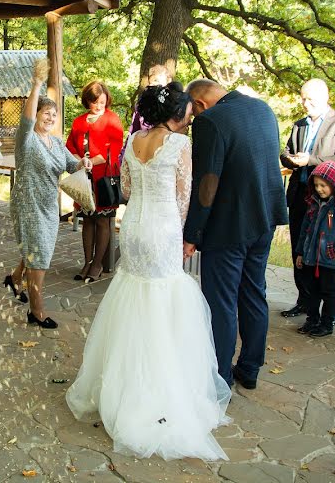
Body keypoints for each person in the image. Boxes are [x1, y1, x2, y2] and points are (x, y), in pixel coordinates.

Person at [67, 83, 231, 461]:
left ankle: (122, 386)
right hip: (163, 227)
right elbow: (183, 196)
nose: (190, 118)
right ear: (176, 114)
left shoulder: (134, 137)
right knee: (162, 300)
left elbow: (124, 187)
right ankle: (159, 392)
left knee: (134, 294)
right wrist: (186, 236)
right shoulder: (180, 145)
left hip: (135, 226)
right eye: (188, 113)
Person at [183, 79, 288, 389]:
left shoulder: (211, 121)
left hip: (229, 225)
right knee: (254, 292)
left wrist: (192, 233)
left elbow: (207, 183)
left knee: (222, 301)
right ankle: (250, 368)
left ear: (199, 104)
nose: (192, 120)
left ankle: (221, 376)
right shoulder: (263, 108)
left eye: (192, 113)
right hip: (265, 219)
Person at [5, 59, 92, 329]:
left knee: (37, 249)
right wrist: (36, 85)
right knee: (40, 254)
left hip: (48, 205)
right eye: (45, 113)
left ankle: (14, 277)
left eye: (53, 114)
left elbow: (70, 164)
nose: (50, 117)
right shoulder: (27, 138)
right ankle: (36, 310)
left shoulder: (55, 142)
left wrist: (84, 162)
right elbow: (27, 116)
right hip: (28, 202)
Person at [280, 78, 335, 324]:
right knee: (299, 249)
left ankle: (334, 309)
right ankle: (305, 301)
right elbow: (286, 150)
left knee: (328, 252)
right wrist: (289, 158)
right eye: (302, 98)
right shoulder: (299, 125)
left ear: (325, 97)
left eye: (310, 99)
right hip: (301, 194)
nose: (305, 103)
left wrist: (311, 160)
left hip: (329, 198)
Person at [65, 81, 125, 282]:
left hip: (104, 177)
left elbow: (114, 150)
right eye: (94, 102)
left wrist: (91, 161)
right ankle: (87, 261)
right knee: (87, 220)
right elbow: (70, 144)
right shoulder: (79, 121)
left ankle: (98, 263)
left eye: (102, 101)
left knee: (101, 220)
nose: (99, 106)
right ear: (87, 102)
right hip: (84, 177)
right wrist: (79, 160)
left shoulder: (112, 119)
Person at [294, 161, 335, 338]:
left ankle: (326, 323)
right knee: (311, 292)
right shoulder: (312, 204)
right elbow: (304, 231)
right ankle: (312, 319)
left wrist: (334, 249)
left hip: (328, 261)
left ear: (334, 184)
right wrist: (300, 252)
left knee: (329, 294)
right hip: (310, 258)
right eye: (316, 185)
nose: (319, 189)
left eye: (323, 185)